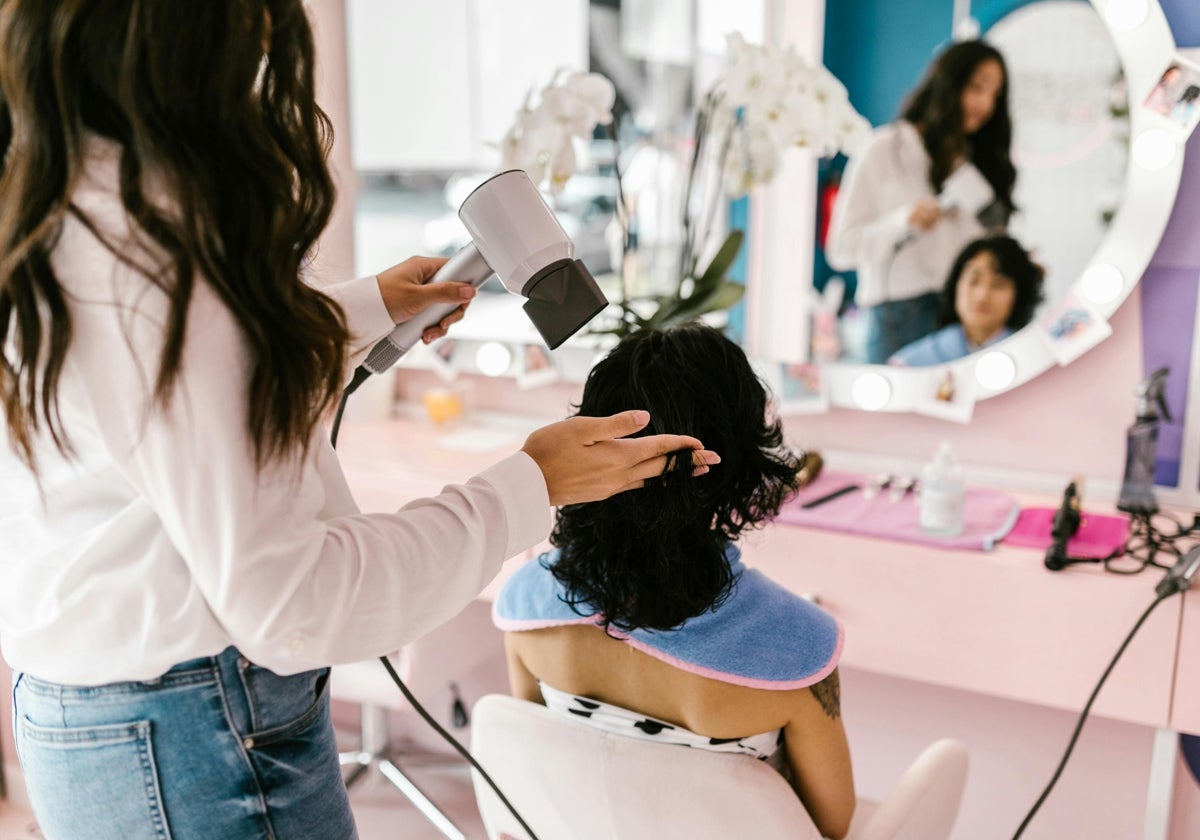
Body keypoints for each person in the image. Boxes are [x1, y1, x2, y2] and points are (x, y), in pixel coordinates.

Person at [0, 3, 720, 838]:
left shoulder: (55, 212)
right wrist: (531, 483)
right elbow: (294, 599)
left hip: (82, 713)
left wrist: (346, 315)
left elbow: (146, 403)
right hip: (197, 734)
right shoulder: (171, 266)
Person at [493, 324, 855, 840]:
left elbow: (543, 771)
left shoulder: (525, 606)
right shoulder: (799, 653)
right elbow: (831, 826)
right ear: (738, 464)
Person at [826, 40, 1016, 364]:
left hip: (961, 320)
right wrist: (901, 224)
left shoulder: (975, 165)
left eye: (995, 96)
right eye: (976, 87)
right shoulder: (884, 149)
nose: (985, 104)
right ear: (948, 82)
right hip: (896, 316)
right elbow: (841, 249)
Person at [889, 235, 1045, 366]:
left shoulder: (1035, 360)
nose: (982, 295)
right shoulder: (910, 365)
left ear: (1019, 294)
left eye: (998, 284)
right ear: (956, 284)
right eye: (973, 280)